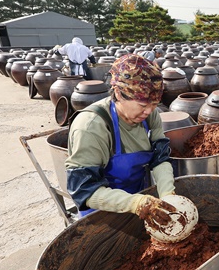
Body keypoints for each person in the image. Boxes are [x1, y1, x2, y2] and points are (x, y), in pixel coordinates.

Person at [65, 54, 176, 226]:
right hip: (101, 213)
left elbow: (160, 158)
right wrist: (135, 204)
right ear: (118, 93)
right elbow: (84, 190)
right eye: (143, 105)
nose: (149, 111)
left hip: (140, 198)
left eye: (154, 104)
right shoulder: (91, 126)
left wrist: (168, 194)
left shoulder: (150, 114)